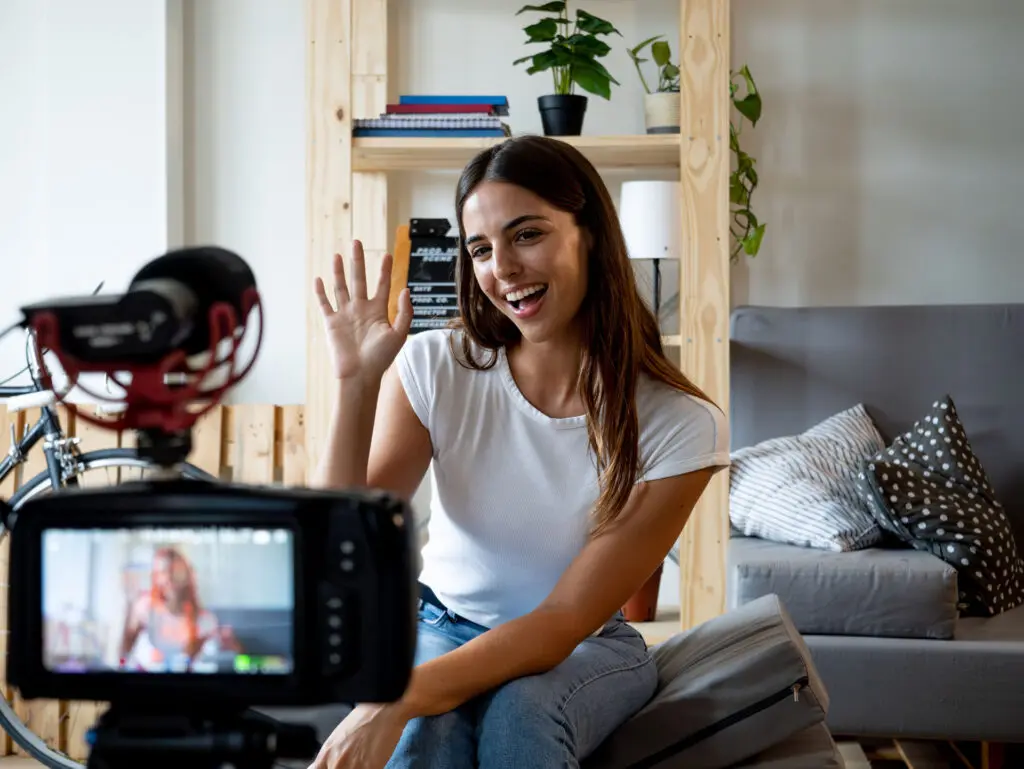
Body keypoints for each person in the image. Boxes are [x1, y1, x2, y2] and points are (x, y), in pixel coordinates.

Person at [308, 135, 730, 769]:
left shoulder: (681, 423)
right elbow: (339, 544)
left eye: (526, 234)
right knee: (430, 738)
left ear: (589, 234)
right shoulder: (436, 366)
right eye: (480, 248)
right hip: (440, 625)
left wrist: (391, 703)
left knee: (520, 712)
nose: (501, 267)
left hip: (588, 647)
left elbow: (563, 620)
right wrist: (355, 381)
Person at [119, 546, 239, 671]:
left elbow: (227, 660)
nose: (168, 578)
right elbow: (123, 658)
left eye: (174, 572)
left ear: (187, 576)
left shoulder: (205, 620)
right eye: (162, 572)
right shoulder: (145, 609)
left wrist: (229, 645)